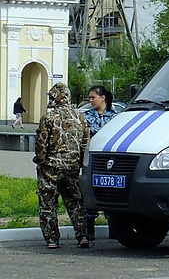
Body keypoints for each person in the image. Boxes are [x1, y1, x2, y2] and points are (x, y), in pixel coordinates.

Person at [33, 82, 90, 249]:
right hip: (72, 167)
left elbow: (41, 142)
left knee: (48, 203)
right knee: (75, 201)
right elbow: (85, 142)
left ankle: (52, 239)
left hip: (51, 167)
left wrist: (41, 160)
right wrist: (80, 163)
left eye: (52, 96)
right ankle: (82, 235)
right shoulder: (79, 117)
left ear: (57, 97)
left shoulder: (49, 117)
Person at [82, 85, 118, 241]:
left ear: (102, 98)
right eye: (89, 98)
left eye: (93, 97)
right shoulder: (85, 117)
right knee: (91, 192)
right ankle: (89, 228)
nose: (90, 100)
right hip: (92, 159)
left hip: (110, 161)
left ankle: (113, 228)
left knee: (111, 193)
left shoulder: (115, 117)